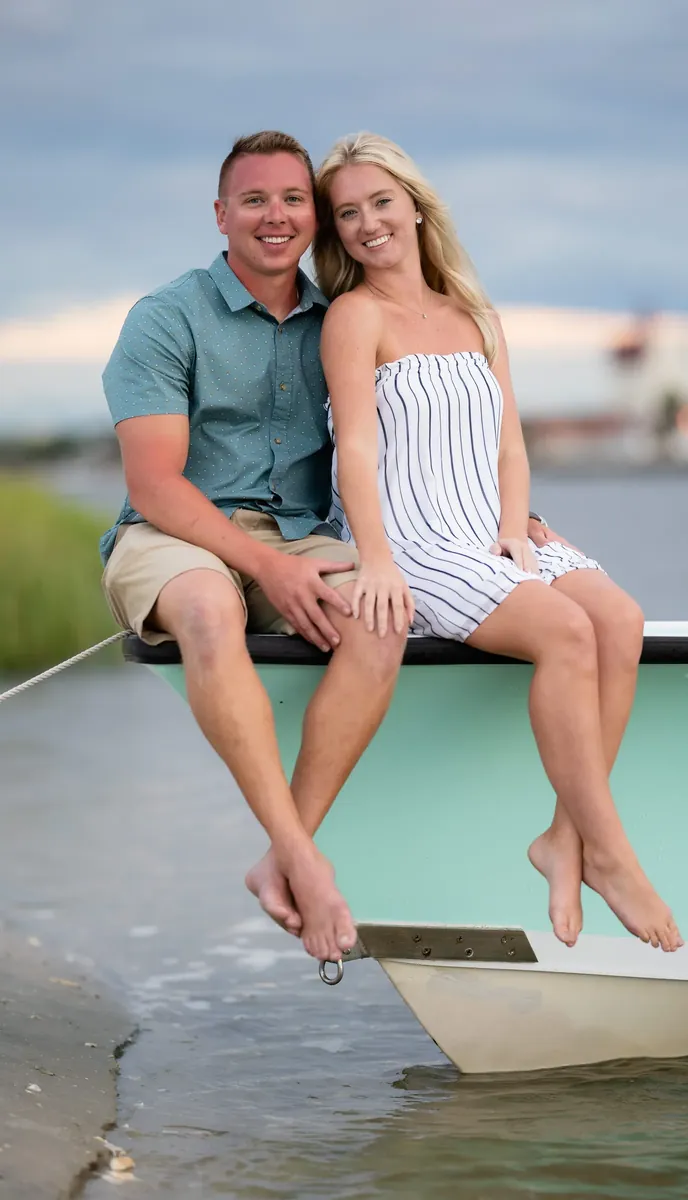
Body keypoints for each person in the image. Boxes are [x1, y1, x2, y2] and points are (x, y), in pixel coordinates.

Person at [314, 132, 683, 953]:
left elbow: (509, 442)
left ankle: (563, 839)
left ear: (414, 205)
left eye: (380, 202)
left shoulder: (474, 311)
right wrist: (374, 556)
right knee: (564, 632)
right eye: (348, 213)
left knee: (619, 619)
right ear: (338, 234)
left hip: (493, 529)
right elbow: (358, 450)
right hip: (414, 541)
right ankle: (612, 855)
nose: (368, 223)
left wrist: (516, 529)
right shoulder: (353, 316)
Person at [99, 131, 407, 964]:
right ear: (222, 214)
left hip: (301, 538)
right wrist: (262, 565)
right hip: (172, 534)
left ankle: (280, 855)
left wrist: (512, 520)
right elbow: (157, 483)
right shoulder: (167, 317)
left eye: (293, 199)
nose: (276, 216)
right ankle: (306, 860)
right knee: (206, 604)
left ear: (314, 216)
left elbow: (406, 439)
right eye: (256, 200)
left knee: (381, 615)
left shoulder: (339, 320)